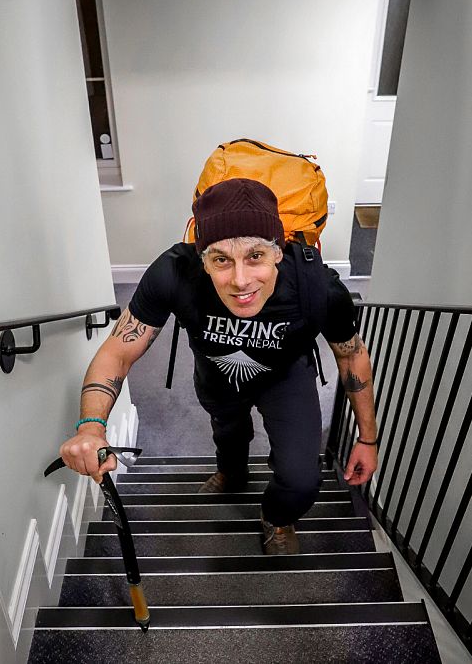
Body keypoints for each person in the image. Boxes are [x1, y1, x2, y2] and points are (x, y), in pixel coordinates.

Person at [57, 178, 378, 554]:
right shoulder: (174, 272)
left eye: (255, 256)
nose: (240, 281)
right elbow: (118, 351)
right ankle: (231, 471)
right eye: (221, 260)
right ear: (202, 257)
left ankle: (276, 516)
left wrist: (367, 438)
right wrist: (91, 428)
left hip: (286, 377)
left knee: (302, 480)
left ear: (278, 251)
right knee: (228, 433)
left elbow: (351, 355)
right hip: (217, 375)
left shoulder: (317, 286)